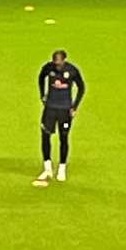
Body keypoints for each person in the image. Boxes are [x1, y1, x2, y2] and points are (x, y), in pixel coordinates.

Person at [34, 49, 85, 184]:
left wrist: (74, 106)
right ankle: (47, 168)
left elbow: (81, 87)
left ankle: (62, 167)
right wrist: (42, 95)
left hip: (64, 110)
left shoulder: (72, 70)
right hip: (50, 108)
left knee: (63, 137)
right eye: (55, 63)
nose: (57, 66)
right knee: (45, 135)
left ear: (64, 60)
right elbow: (41, 77)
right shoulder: (48, 68)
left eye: (59, 63)